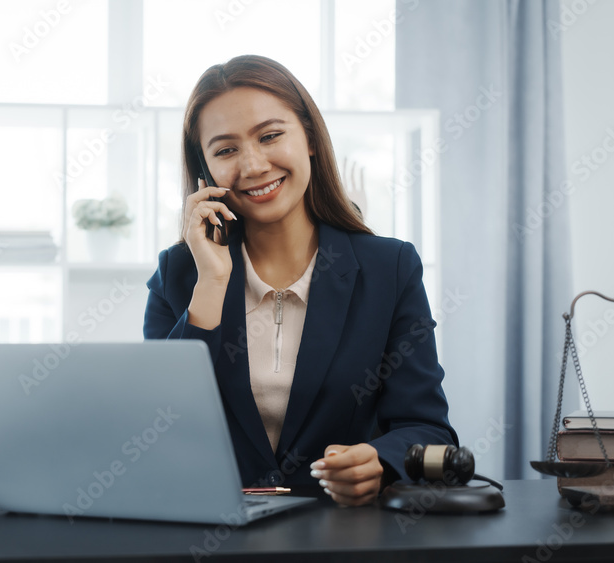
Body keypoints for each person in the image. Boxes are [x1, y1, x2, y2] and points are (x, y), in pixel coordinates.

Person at [143, 55, 457, 507]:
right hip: (213, 535)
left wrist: (380, 460)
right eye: (226, 150)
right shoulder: (179, 275)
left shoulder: (390, 268)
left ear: (309, 137)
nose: (252, 165)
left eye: (270, 136)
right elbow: (157, 429)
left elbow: (428, 429)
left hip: (343, 535)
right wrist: (210, 284)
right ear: (205, 172)